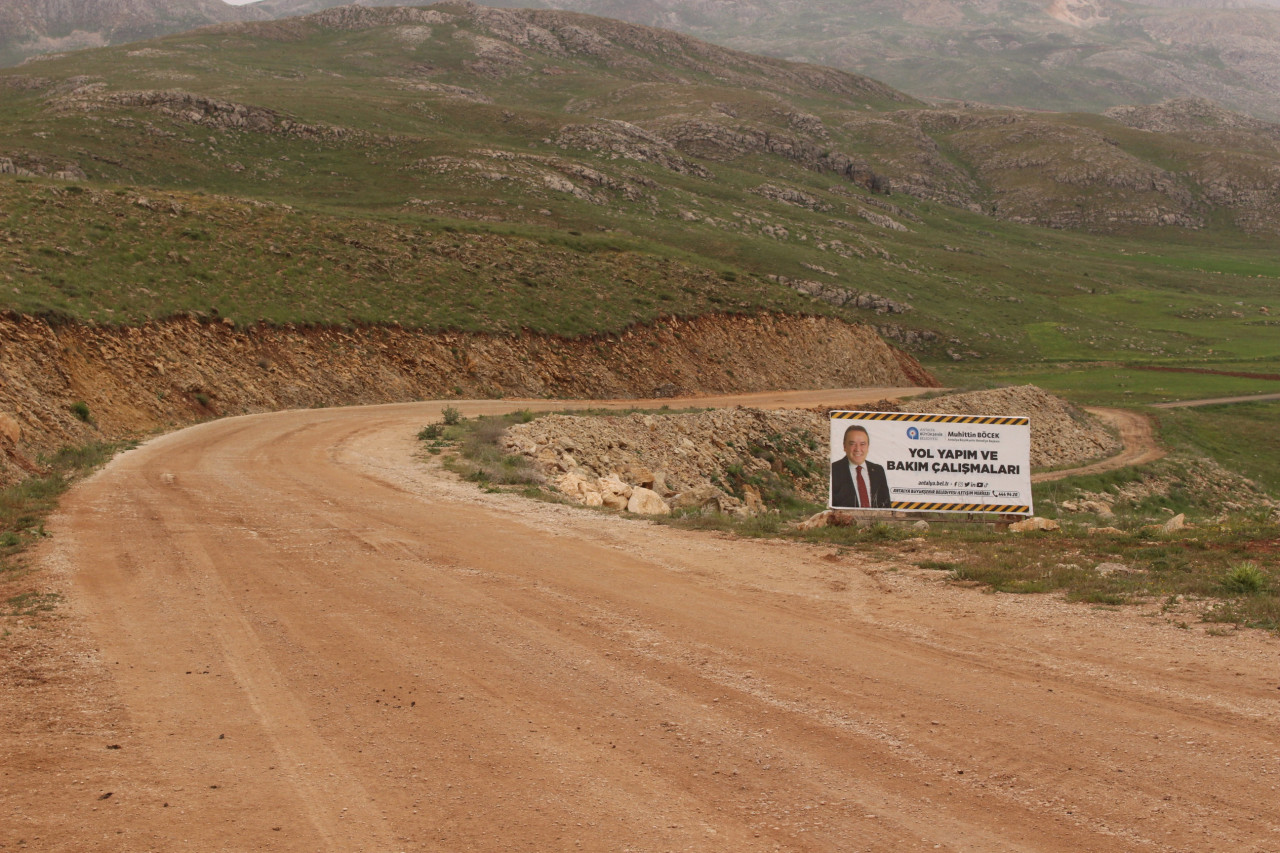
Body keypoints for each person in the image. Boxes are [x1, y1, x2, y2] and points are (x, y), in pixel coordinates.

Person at [830, 424, 891, 509]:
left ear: (868, 447)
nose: (858, 449)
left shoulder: (878, 471)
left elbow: (886, 505)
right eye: (852, 444)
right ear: (844, 446)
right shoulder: (833, 470)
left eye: (862, 444)